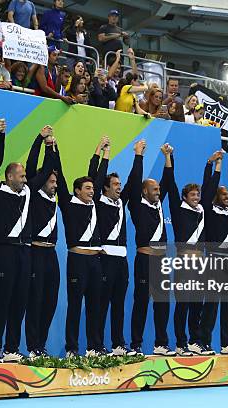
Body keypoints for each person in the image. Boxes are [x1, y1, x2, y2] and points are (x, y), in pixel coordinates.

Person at [0, 118, 52, 362]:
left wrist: (45, 142)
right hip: (4, 251)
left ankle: (12, 348)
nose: (25, 179)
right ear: (10, 176)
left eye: (25, 176)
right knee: (2, 300)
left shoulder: (27, 191)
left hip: (26, 252)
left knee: (20, 301)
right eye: (21, 176)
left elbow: (45, 170)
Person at [89, 138, 143, 357]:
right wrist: (103, 153)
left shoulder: (122, 202)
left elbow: (135, 180)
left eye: (120, 186)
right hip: (105, 258)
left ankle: (118, 344)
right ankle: (96, 345)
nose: (119, 189)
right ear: (105, 188)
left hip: (122, 260)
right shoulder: (98, 202)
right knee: (101, 305)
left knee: (118, 304)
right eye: (115, 186)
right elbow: (95, 175)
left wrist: (138, 155)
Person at [55, 140, 106, 357]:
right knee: (75, 306)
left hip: (96, 261)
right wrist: (53, 149)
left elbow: (98, 175)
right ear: (77, 191)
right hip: (77, 261)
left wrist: (103, 152)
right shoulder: (67, 203)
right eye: (87, 188)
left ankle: (95, 347)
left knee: (96, 305)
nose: (92, 191)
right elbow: (62, 176)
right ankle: (72, 348)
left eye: (93, 188)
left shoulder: (95, 204)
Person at [128, 143, 175, 356]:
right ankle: (136, 345)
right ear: (144, 191)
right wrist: (139, 155)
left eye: (159, 189)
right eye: (154, 189)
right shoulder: (137, 206)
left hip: (161, 261)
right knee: (141, 303)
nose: (159, 192)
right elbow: (135, 179)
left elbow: (167, 179)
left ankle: (161, 344)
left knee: (162, 303)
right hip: (144, 260)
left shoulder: (158, 204)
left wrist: (167, 156)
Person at [162, 148, 208, 356]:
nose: (196, 198)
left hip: (200, 263)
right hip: (184, 262)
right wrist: (168, 157)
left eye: (198, 195)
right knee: (183, 303)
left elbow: (211, 185)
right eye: (192, 195)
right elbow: (170, 185)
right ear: (184, 197)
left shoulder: (202, 212)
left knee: (197, 303)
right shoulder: (178, 209)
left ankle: (195, 341)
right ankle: (181, 343)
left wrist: (213, 165)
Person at [198, 153, 228, 355]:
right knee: (211, 304)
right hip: (215, 261)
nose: (227, 197)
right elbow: (208, 186)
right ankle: (204, 342)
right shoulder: (209, 209)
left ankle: (227, 344)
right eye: (223, 194)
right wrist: (215, 165)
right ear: (217, 197)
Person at [24, 126, 61, 358]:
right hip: (35, 253)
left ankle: (42, 345)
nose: (55, 183)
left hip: (52, 255)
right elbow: (32, 164)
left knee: (50, 301)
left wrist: (54, 148)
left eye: (56, 181)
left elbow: (54, 167)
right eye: (51, 180)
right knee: (35, 301)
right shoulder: (33, 191)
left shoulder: (54, 197)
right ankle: (32, 346)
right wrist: (41, 141)